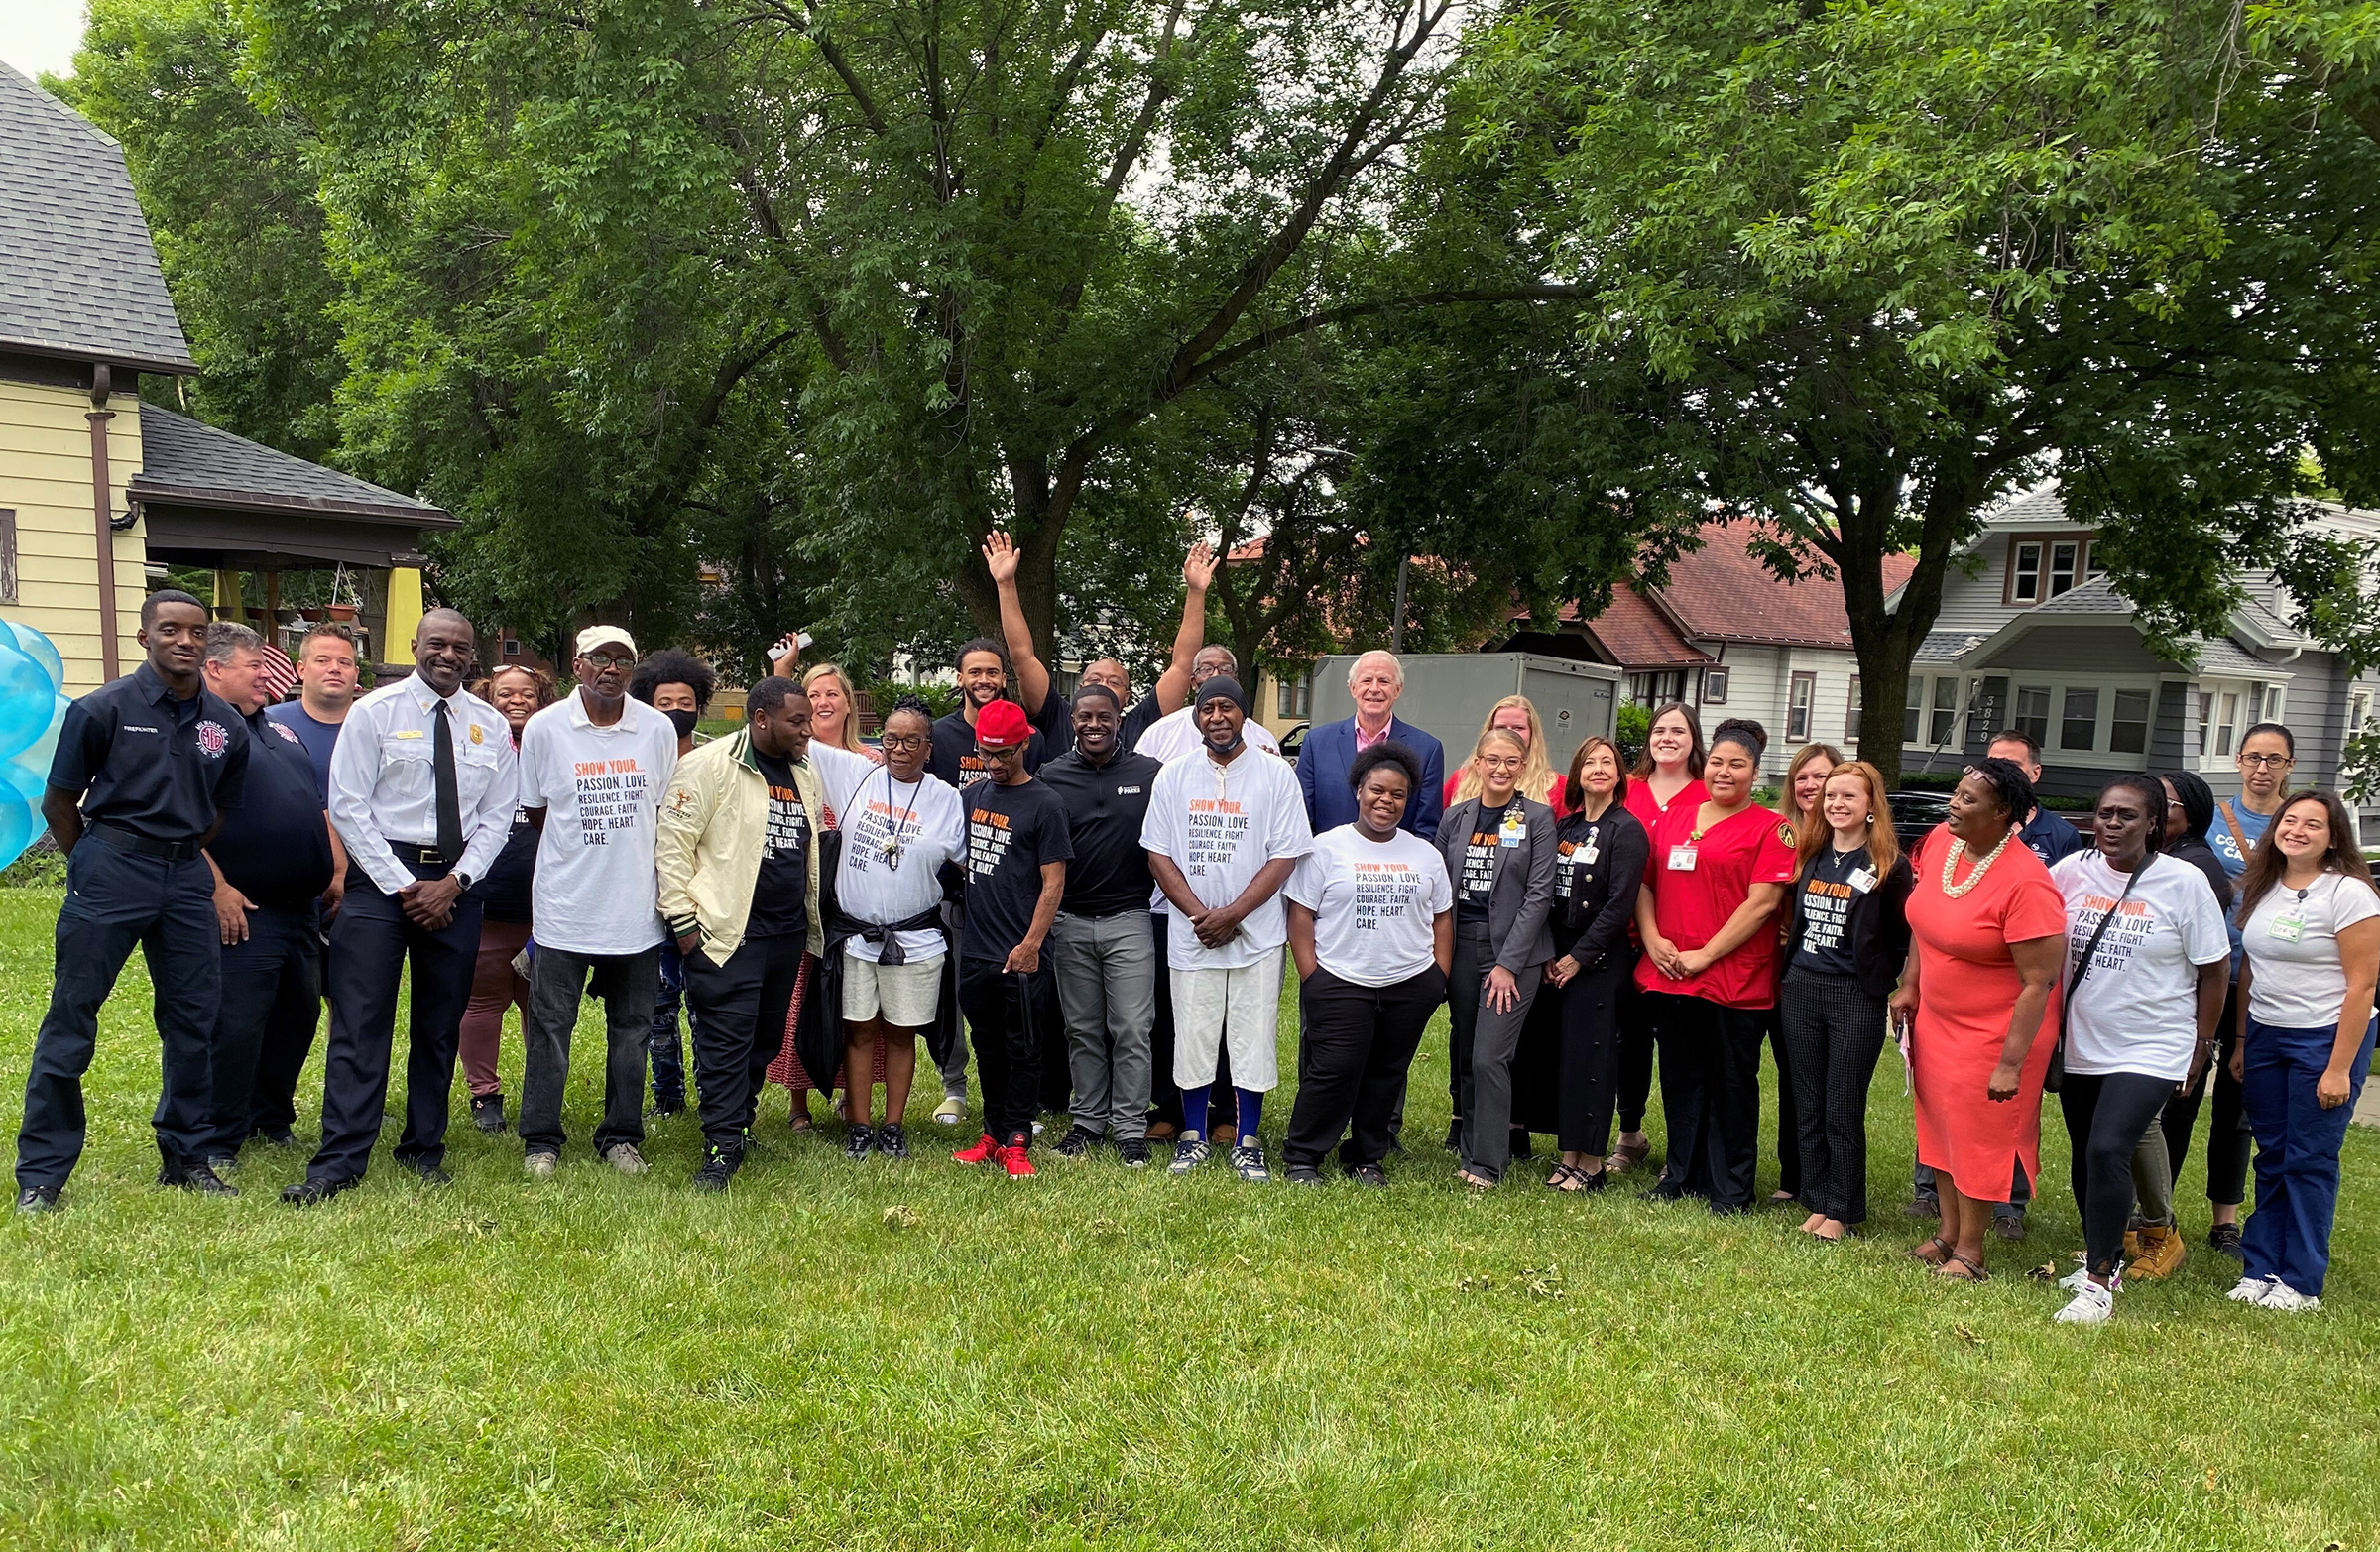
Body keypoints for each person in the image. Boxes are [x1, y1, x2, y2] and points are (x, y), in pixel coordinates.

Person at [15, 592, 252, 1213]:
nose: (185, 641)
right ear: (145, 636)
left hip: (185, 879)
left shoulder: (223, 725)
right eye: (170, 629)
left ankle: (186, 1157)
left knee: (194, 1022)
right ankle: (42, 1174)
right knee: (73, 1017)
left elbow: (219, 811)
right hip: (111, 870)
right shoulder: (102, 710)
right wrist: (96, 863)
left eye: (197, 632)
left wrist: (178, 858)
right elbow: (60, 803)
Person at [289, 609, 517, 1205]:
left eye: (461, 647)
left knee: (439, 1027)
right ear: (415, 646)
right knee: (360, 1025)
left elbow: (498, 817)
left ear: (473, 656)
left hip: (456, 888)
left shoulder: (489, 725)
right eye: (437, 644)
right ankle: (339, 1161)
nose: (449, 655)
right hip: (380, 885)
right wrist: (403, 886)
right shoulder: (374, 713)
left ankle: (424, 1149)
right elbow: (348, 804)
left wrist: (456, 882)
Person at [2045, 776, 2229, 1324]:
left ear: (2153, 824)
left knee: (2108, 1148)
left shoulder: (2184, 881)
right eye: (2104, 814)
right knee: (2084, 1154)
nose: (2112, 825)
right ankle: (2102, 1250)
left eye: (2126, 816)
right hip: (2081, 1041)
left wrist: (2201, 1046)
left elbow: (2215, 971)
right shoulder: (2070, 873)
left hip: (2154, 1042)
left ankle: (2099, 1282)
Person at [1889, 758, 2066, 1280]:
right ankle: (1946, 1231)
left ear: (2004, 812)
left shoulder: (2026, 882)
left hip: (1998, 1032)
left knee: (1978, 1137)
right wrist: (1911, 983)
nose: (1953, 804)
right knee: (1940, 1127)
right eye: (1956, 792)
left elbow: (2040, 981)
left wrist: (2010, 1063)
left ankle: (1971, 1249)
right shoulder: (1945, 846)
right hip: (1938, 1020)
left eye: (1968, 799)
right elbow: (1925, 921)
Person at [515, 628, 678, 1179]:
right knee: (549, 1029)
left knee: (631, 1032)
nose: (611, 669)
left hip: (635, 912)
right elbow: (539, 813)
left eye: (623, 661)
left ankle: (621, 1137)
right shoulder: (544, 728)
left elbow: (662, 814)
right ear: (578, 665)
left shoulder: (655, 729)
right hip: (565, 908)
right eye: (600, 659)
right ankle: (541, 1139)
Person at [656, 676, 828, 1191]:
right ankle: (721, 1143)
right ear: (761, 719)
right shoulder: (707, 767)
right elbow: (672, 848)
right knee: (725, 1042)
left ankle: (740, 1122)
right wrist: (686, 927)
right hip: (726, 932)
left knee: (764, 1040)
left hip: (785, 934)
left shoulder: (803, 770)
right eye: (797, 721)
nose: (808, 730)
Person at [1142, 675, 1314, 1179]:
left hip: (1255, 935)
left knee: (1252, 1034)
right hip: (1192, 933)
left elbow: (1285, 856)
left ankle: (1247, 1140)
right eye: (1207, 708)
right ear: (1196, 716)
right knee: (1192, 1034)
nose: (1217, 717)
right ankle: (1193, 1136)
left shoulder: (1275, 774)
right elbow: (1158, 853)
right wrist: (1202, 915)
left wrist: (1233, 914)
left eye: (1227, 708)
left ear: (1244, 714)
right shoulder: (1173, 775)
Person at [195, 624, 346, 1179]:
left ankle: (270, 1115)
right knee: (236, 1022)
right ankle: (217, 1133)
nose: (267, 675)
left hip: (302, 908)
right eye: (253, 667)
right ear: (214, 670)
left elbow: (315, 805)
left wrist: (332, 868)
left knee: (297, 1013)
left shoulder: (279, 730)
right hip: (244, 906)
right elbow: (181, 817)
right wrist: (217, 886)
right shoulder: (201, 731)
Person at [1632, 718, 1797, 1214]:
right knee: (1681, 1080)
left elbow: (1762, 904)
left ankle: (1730, 1187)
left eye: (1738, 764)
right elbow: (1645, 884)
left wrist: (1705, 954)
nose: (1725, 772)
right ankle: (1682, 1175)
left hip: (1731, 978)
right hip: (1670, 972)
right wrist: (1653, 938)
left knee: (1731, 1084)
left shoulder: (1773, 828)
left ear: (1754, 770)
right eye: (1719, 762)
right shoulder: (1676, 819)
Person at [2225, 789, 2380, 1313]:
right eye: (2290, 820)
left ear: (2334, 835)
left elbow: (2362, 986)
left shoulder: (2350, 893)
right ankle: (2260, 1266)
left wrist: (2339, 1068)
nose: (2297, 830)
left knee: (2309, 1159)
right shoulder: (2263, 884)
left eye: (2313, 824)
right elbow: (2251, 967)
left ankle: (2301, 1280)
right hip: (2268, 1032)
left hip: (2325, 1036)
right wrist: (2244, 1039)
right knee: (2271, 1154)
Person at [1282, 742, 1453, 1186]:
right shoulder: (1325, 848)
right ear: (1359, 790)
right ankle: (1303, 1156)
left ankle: (1365, 1155)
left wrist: (1438, 976)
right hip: (1340, 979)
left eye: (1398, 795)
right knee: (1333, 1070)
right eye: (1377, 790)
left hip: (1410, 982)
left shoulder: (1425, 854)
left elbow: (1442, 916)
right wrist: (1311, 975)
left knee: (1386, 1074)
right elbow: (1300, 912)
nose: (1386, 801)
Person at [805, 694, 965, 1159]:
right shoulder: (858, 777)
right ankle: (859, 1125)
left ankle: (891, 1126)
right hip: (857, 938)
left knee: (899, 1034)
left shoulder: (945, 798)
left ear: (928, 747)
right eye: (891, 739)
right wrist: (783, 670)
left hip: (915, 941)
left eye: (911, 741)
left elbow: (966, 862)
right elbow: (803, 735)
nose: (898, 749)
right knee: (857, 1031)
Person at [1777, 760, 1911, 1241]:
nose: (1836, 804)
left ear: (1871, 805)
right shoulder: (1813, 854)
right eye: (1831, 796)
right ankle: (1816, 1199)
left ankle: (1844, 1208)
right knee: (1807, 1101)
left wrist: (1879, 979)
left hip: (1853, 995)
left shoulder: (1889, 867)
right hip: (1801, 988)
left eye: (1849, 797)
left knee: (1842, 1105)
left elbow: (1900, 937)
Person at [2180, 721, 2298, 1257]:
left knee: (2239, 1101)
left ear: (2289, 766)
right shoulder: (2212, 821)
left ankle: (2224, 1219)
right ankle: (2154, 1208)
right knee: (2179, 1091)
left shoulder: (2301, 824)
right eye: (2254, 757)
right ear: (2238, 759)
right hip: (2205, 973)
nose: (2262, 768)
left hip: (2266, 978)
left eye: (2274, 759)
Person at [1039, 684, 1167, 1166]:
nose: (1094, 725)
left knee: (1133, 1027)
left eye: (1104, 717)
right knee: (1083, 1029)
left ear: (1119, 720)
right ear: (1073, 721)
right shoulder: (1052, 776)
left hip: (1130, 917)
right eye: (1084, 717)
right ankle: (1088, 1119)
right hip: (1070, 920)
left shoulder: (1148, 774)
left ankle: (1130, 1126)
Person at [949, 697, 1072, 1179]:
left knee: (1024, 1049)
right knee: (988, 1046)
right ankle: (992, 1133)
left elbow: (1054, 882)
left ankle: (1018, 1139)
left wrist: (1031, 944)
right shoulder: (973, 796)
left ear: (1025, 745)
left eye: (1005, 754)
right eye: (986, 753)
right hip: (976, 950)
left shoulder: (1046, 804)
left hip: (1020, 954)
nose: (995, 764)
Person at [253, 620, 363, 1146]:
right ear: (300, 669)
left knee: (356, 1005)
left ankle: (353, 1104)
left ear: (357, 674)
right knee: (278, 1009)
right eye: (322, 660)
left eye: (343, 661)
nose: (333, 669)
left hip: (365, 890)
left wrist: (345, 868)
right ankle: (263, 1113)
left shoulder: (372, 723)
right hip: (284, 891)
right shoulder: (270, 725)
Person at [1437, 727, 1559, 1188]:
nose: (1501, 768)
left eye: (1511, 760)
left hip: (1514, 955)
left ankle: (1489, 1164)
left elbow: (1539, 894)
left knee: (1491, 1056)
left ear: (1524, 766)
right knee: (1468, 1054)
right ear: (1477, 762)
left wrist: (1508, 964)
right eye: (1493, 759)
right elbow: (1437, 888)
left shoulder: (1538, 819)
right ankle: (1470, 1149)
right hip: (1461, 945)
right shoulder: (1455, 817)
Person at [1540, 736, 1649, 1192]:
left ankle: (1593, 1162)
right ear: (1578, 772)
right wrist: (1549, 953)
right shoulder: (1563, 827)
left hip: (1599, 960)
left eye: (1608, 762)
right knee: (1565, 1057)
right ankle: (1569, 1153)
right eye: (1590, 762)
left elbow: (1620, 904)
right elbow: (1543, 893)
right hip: (1556, 956)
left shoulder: (1628, 830)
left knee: (1594, 1059)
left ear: (1620, 775)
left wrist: (1578, 958)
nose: (1599, 769)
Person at [2155, 768, 2247, 1254]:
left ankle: (2160, 1221)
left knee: (2176, 1115)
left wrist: (2198, 1038)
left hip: (2191, 1014)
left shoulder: (2198, 867)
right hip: (2171, 1013)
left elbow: (2208, 962)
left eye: (2162, 801)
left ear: (2186, 813)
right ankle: (2150, 1216)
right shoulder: (2163, 857)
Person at [455, 665, 549, 1134]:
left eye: (527, 693)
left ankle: (541, 1091)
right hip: (486, 906)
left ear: (542, 699)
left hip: (547, 913)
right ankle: (484, 1095)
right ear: (487, 698)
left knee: (543, 1009)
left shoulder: (555, 746)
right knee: (481, 1005)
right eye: (505, 693)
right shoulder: (473, 747)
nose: (517, 700)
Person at [629, 648, 717, 1117]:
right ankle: (667, 1097)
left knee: (706, 1007)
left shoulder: (711, 761)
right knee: (657, 1009)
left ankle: (712, 1094)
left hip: (701, 901)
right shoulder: (636, 759)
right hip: (646, 902)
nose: (677, 711)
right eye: (665, 703)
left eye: (686, 702)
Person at [1761, 741, 1841, 1205]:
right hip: (1771, 970)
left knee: (1821, 1081)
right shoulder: (1780, 831)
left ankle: (1826, 1179)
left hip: (1822, 975)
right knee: (1792, 1078)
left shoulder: (1844, 840)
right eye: (1802, 777)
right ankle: (1794, 1176)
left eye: (1821, 777)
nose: (1811, 785)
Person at [1295, 650, 1446, 840]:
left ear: (1398, 690)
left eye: (1384, 681)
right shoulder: (1316, 743)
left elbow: (1426, 829)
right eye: (1366, 681)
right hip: (1329, 864)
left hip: (1395, 866)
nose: (1374, 689)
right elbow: (1301, 819)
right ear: (1352, 688)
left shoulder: (1427, 750)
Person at [1081, 540, 1217, 749]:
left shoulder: (1142, 726)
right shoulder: (1059, 722)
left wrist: (1196, 592)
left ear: (1126, 698)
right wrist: (1009, 584)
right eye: (1095, 680)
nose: (1103, 686)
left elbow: (1182, 665)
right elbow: (1023, 657)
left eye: (1114, 682)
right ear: (1079, 689)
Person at [1131, 643, 1283, 764]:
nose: (1215, 675)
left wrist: (1268, 769)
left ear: (1236, 681)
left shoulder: (1261, 737)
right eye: (1206, 669)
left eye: (1225, 669)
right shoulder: (1159, 734)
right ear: (1193, 682)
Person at [1441, 696, 1568, 815]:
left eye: (1518, 728)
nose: (1508, 733)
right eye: (1501, 727)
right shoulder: (1461, 780)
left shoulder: (1557, 787)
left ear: (1532, 734)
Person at [800, 661, 881, 766]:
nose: (823, 703)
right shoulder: (795, 756)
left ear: (848, 703)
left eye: (832, 694)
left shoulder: (869, 759)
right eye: (814, 696)